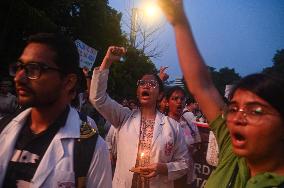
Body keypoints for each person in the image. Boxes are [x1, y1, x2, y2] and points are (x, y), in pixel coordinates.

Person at [158, 0, 284, 187]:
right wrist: (179, 21)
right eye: (233, 108)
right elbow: (203, 87)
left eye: (255, 111)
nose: (237, 118)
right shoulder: (232, 155)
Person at [0, 33, 111, 187]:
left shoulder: (92, 148)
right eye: (19, 67)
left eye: (34, 69)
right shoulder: (4, 127)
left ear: (68, 82)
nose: (19, 78)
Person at [89, 46, 189, 188]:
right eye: (142, 83)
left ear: (160, 95)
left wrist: (163, 168)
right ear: (137, 92)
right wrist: (107, 62)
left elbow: (184, 163)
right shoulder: (123, 117)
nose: (146, 86)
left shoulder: (173, 126)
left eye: (152, 84)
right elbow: (97, 98)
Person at [165, 86, 201, 187]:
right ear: (167, 102)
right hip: (171, 179)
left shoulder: (189, 122)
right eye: (175, 98)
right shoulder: (163, 125)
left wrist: (193, 149)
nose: (179, 101)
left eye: (182, 98)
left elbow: (198, 143)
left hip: (189, 176)